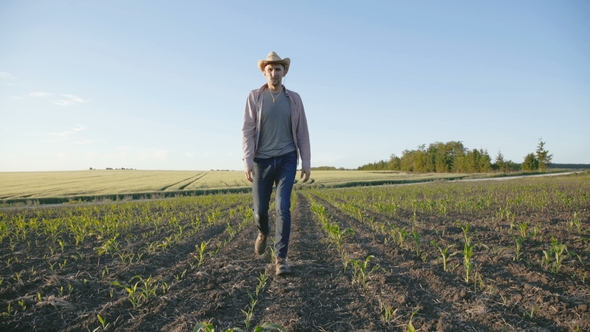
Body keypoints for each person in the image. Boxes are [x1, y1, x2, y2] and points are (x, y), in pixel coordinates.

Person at [242, 51, 311, 275]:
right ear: (264, 73)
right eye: (270, 69)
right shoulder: (254, 97)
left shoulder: (294, 99)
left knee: (283, 208)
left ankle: (280, 258)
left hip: (287, 159)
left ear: (284, 72)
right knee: (260, 210)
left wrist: (306, 161)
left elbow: (302, 131)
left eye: (278, 69)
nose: (274, 72)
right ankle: (263, 232)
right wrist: (247, 159)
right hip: (261, 160)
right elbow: (248, 130)